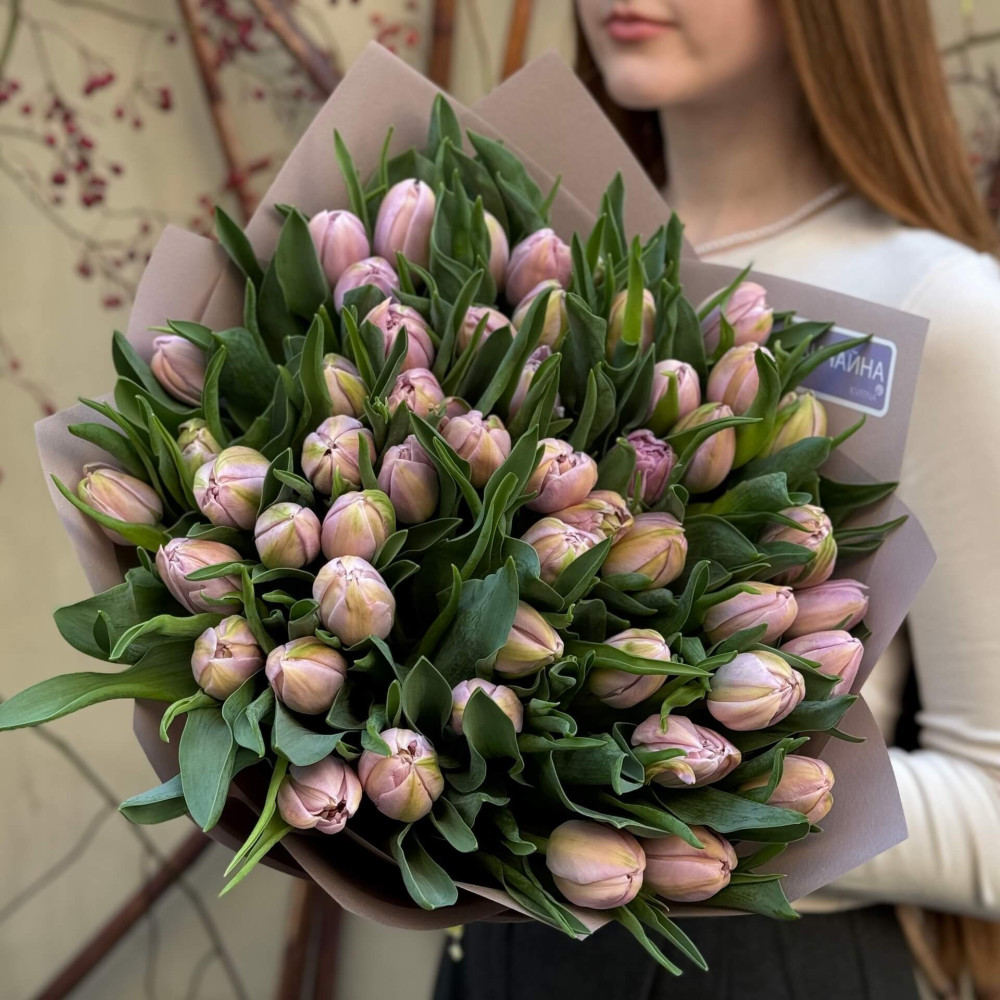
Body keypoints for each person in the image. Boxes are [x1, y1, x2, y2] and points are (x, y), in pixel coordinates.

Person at [435, 2, 1000, 997]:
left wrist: (663, 781)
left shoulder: (937, 308)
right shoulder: (525, 258)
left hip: (760, 967)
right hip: (500, 959)